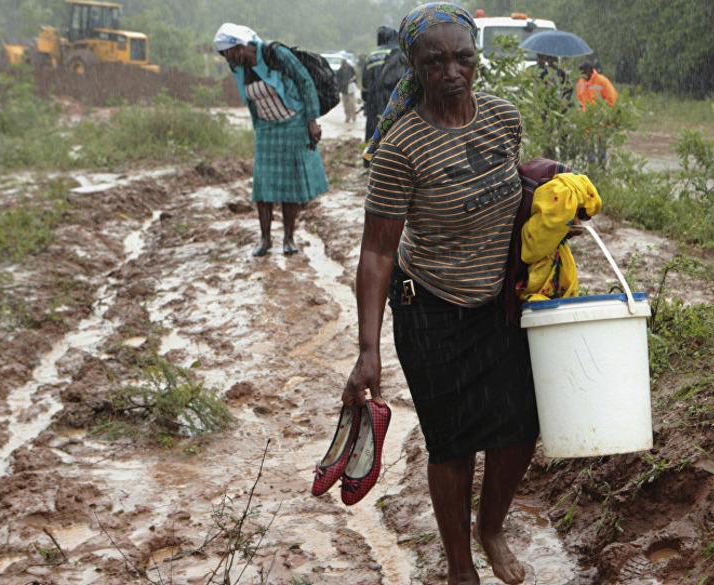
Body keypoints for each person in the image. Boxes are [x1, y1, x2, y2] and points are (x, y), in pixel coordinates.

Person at [346, 4, 536, 584]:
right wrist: (368, 348)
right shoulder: (402, 147)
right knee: (452, 446)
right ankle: (459, 567)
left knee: (521, 429)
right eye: (435, 61)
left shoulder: (503, 118)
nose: (452, 71)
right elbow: (377, 252)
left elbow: (511, 190)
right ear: (414, 65)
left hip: (499, 304)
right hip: (429, 309)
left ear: (477, 58)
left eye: (463, 57)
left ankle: (492, 528)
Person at [214, 23, 328, 257]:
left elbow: (305, 81)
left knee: (290, 186)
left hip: (293, 124)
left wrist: (311, 121)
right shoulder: (240, 69)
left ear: (241, 46)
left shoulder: (274, 54)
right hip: (267, 129)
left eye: (229, 53)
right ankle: (265, 239)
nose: (228, 60)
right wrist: (258, 129)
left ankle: (288, 238)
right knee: (263, 186)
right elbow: (251, 102)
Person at [361, 26, 399, 144]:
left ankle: (371, 159)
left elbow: (364, 85)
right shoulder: (398, 53)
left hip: (373, 103)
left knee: (373, 137)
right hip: (394, 101)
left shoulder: (371, 55)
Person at [336, 58, 358, 124]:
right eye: (343, 64)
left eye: (345, 64)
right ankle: (347, 117)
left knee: (352, 104)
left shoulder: (351, 68)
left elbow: (355, 76)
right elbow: (337, 80)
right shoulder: (339, 71)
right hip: (344, 90)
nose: (345, 65)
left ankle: (354, 117)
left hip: (351, 90)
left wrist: (352, 80)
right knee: (345, 105)